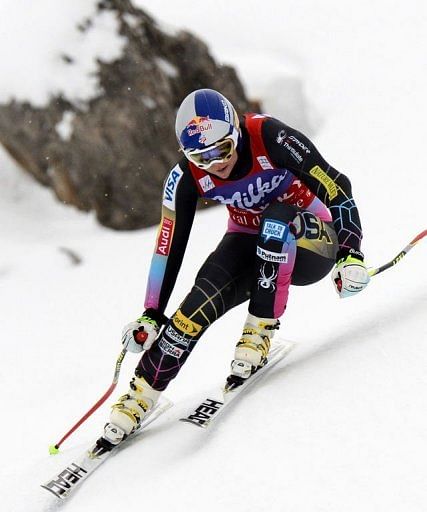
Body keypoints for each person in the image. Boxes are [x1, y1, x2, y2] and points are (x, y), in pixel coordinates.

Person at [107, 88, 370, 441]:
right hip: (251, 241)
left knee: (276, 221)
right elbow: (169, 244)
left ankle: (258, 330)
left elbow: (336, 186)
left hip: (311, 241)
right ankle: (140, 394)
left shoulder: (270, 136)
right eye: (202, 158)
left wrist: (350, 253)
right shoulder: (184, 177)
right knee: (198, 301)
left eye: (222, 149)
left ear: (236, 132)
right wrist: (152, 312)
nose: (216, 164)